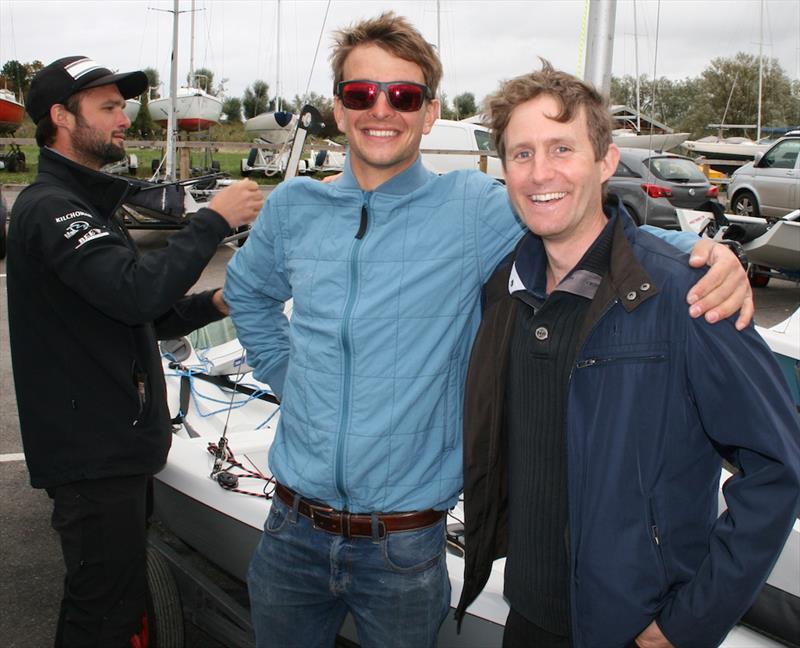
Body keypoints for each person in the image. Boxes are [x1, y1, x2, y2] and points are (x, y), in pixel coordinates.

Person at [224, 13, 753, 648]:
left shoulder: (473, 208)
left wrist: (710, 256)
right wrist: (292, 380)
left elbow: (590, 228)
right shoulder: (292, 208)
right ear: (339, 109)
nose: (381, 109)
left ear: (429, 112)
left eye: (405, 95)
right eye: (361, 94)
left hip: (403, 548)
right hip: (289, 530)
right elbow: (248, 296)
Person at [456, 62, 800, 648]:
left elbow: (779, 468)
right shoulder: (504, 291)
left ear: (606, 160)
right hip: (528, 618)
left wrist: (684, 626)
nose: (541, 173)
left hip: (636, 631)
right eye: (522, 154)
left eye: (562, 148)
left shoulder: (686, 297)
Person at [6, 55, 263, 648]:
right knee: (102, 615)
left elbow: (138, 311)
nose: (124, 118)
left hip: (109, 448)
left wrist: (217, 303)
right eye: (109, 107)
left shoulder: (85, 205)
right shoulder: (54, 208)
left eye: (122, 105)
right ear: (61, 118)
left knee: (114, 605)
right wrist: (211, 222)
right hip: (93, 455)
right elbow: (133, 293)